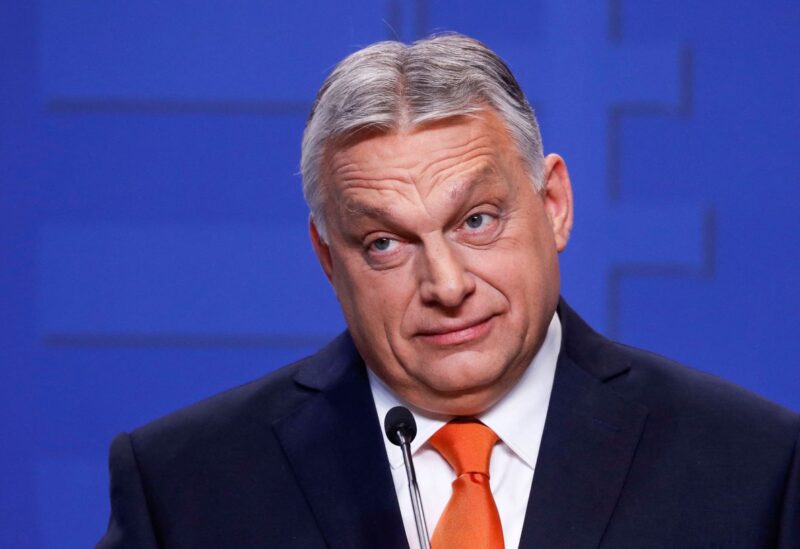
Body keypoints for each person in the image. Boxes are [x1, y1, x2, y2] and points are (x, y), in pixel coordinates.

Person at [97, 33, 799, 548]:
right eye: (385, 243)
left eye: (477, 220)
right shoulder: (185, 487)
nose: (447, 284)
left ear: (553, 204)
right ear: (327, 258)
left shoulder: (754, 468)